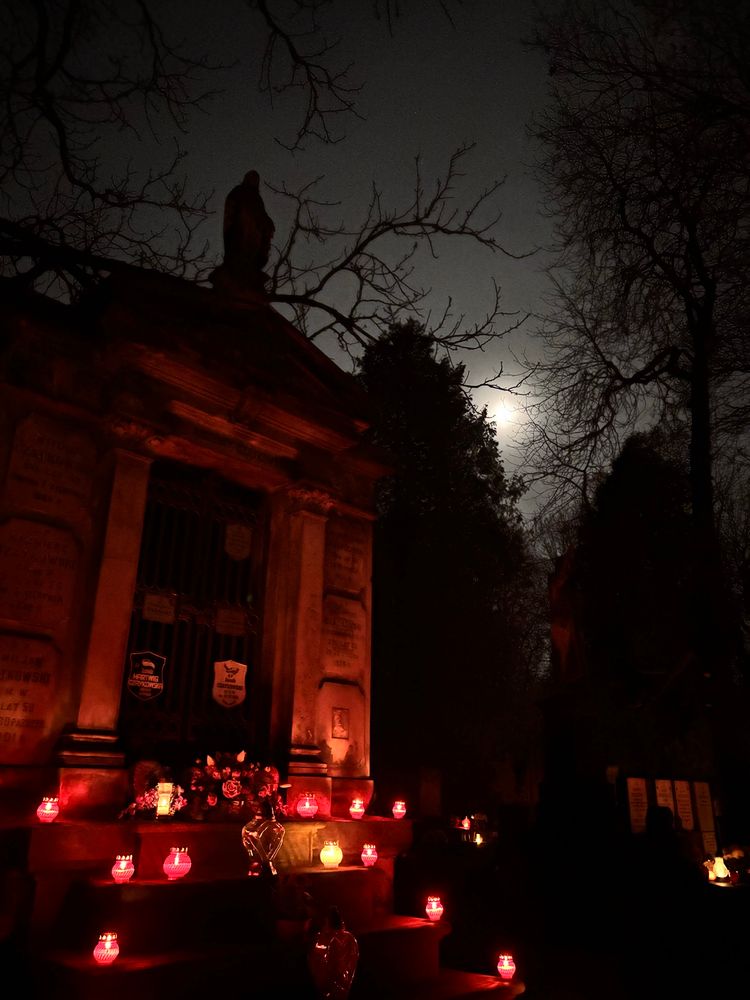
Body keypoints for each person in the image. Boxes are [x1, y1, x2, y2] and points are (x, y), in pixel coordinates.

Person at [221, 170, 275, 288]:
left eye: (256, 179)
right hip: (241, 230)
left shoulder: (257, 198)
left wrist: (268, 223)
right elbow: (232, 210)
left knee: (253, 246)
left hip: (254, 233)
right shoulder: (238, 192)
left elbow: (261, 214)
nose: (253, 180)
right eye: (251, 177)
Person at [241, 766, 287, 876]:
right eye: (266, 784)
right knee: (249, 833)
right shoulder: (254, 797)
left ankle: (267, 861)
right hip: (257, 821)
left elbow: (277, 809)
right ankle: (258, 862)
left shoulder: (275, 798)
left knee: (280, 831)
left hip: (270, 820)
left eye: (273, 784)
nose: (269, 788)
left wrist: (280, 808)